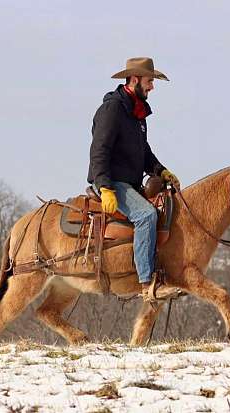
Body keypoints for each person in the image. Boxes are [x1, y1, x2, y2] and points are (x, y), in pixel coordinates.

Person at [87, 57, 180, 302]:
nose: (152, 87)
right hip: (115, 183)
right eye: (150, 81)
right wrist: (105, 187)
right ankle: (147, 284)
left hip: (130, 184)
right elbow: (99, 150)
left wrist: (160, 170)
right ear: (135, 79)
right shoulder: (112, 109)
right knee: (146, 215)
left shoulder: (136, 112)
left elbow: (143, 150)